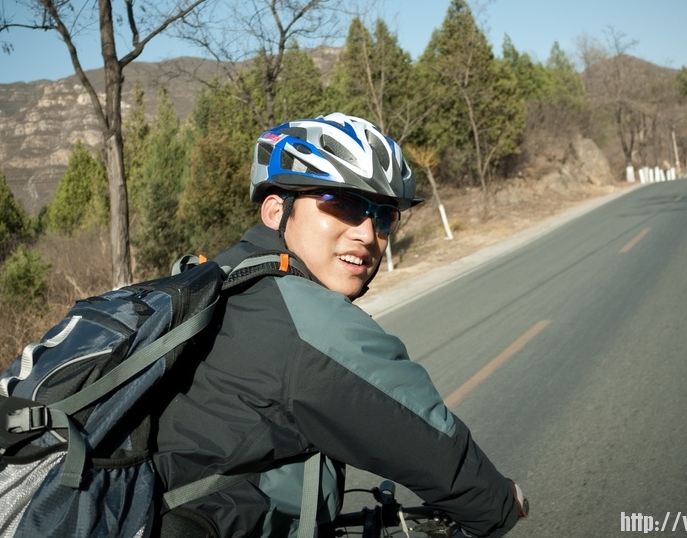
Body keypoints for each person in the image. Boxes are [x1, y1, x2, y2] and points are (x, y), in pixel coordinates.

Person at [153, 113, 527, 538]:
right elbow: (428, 442)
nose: (367, 234)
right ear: (277, 211)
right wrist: (499, 505)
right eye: (344, 204)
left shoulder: (222, 275)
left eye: (383, 216)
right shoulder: (304, 318)